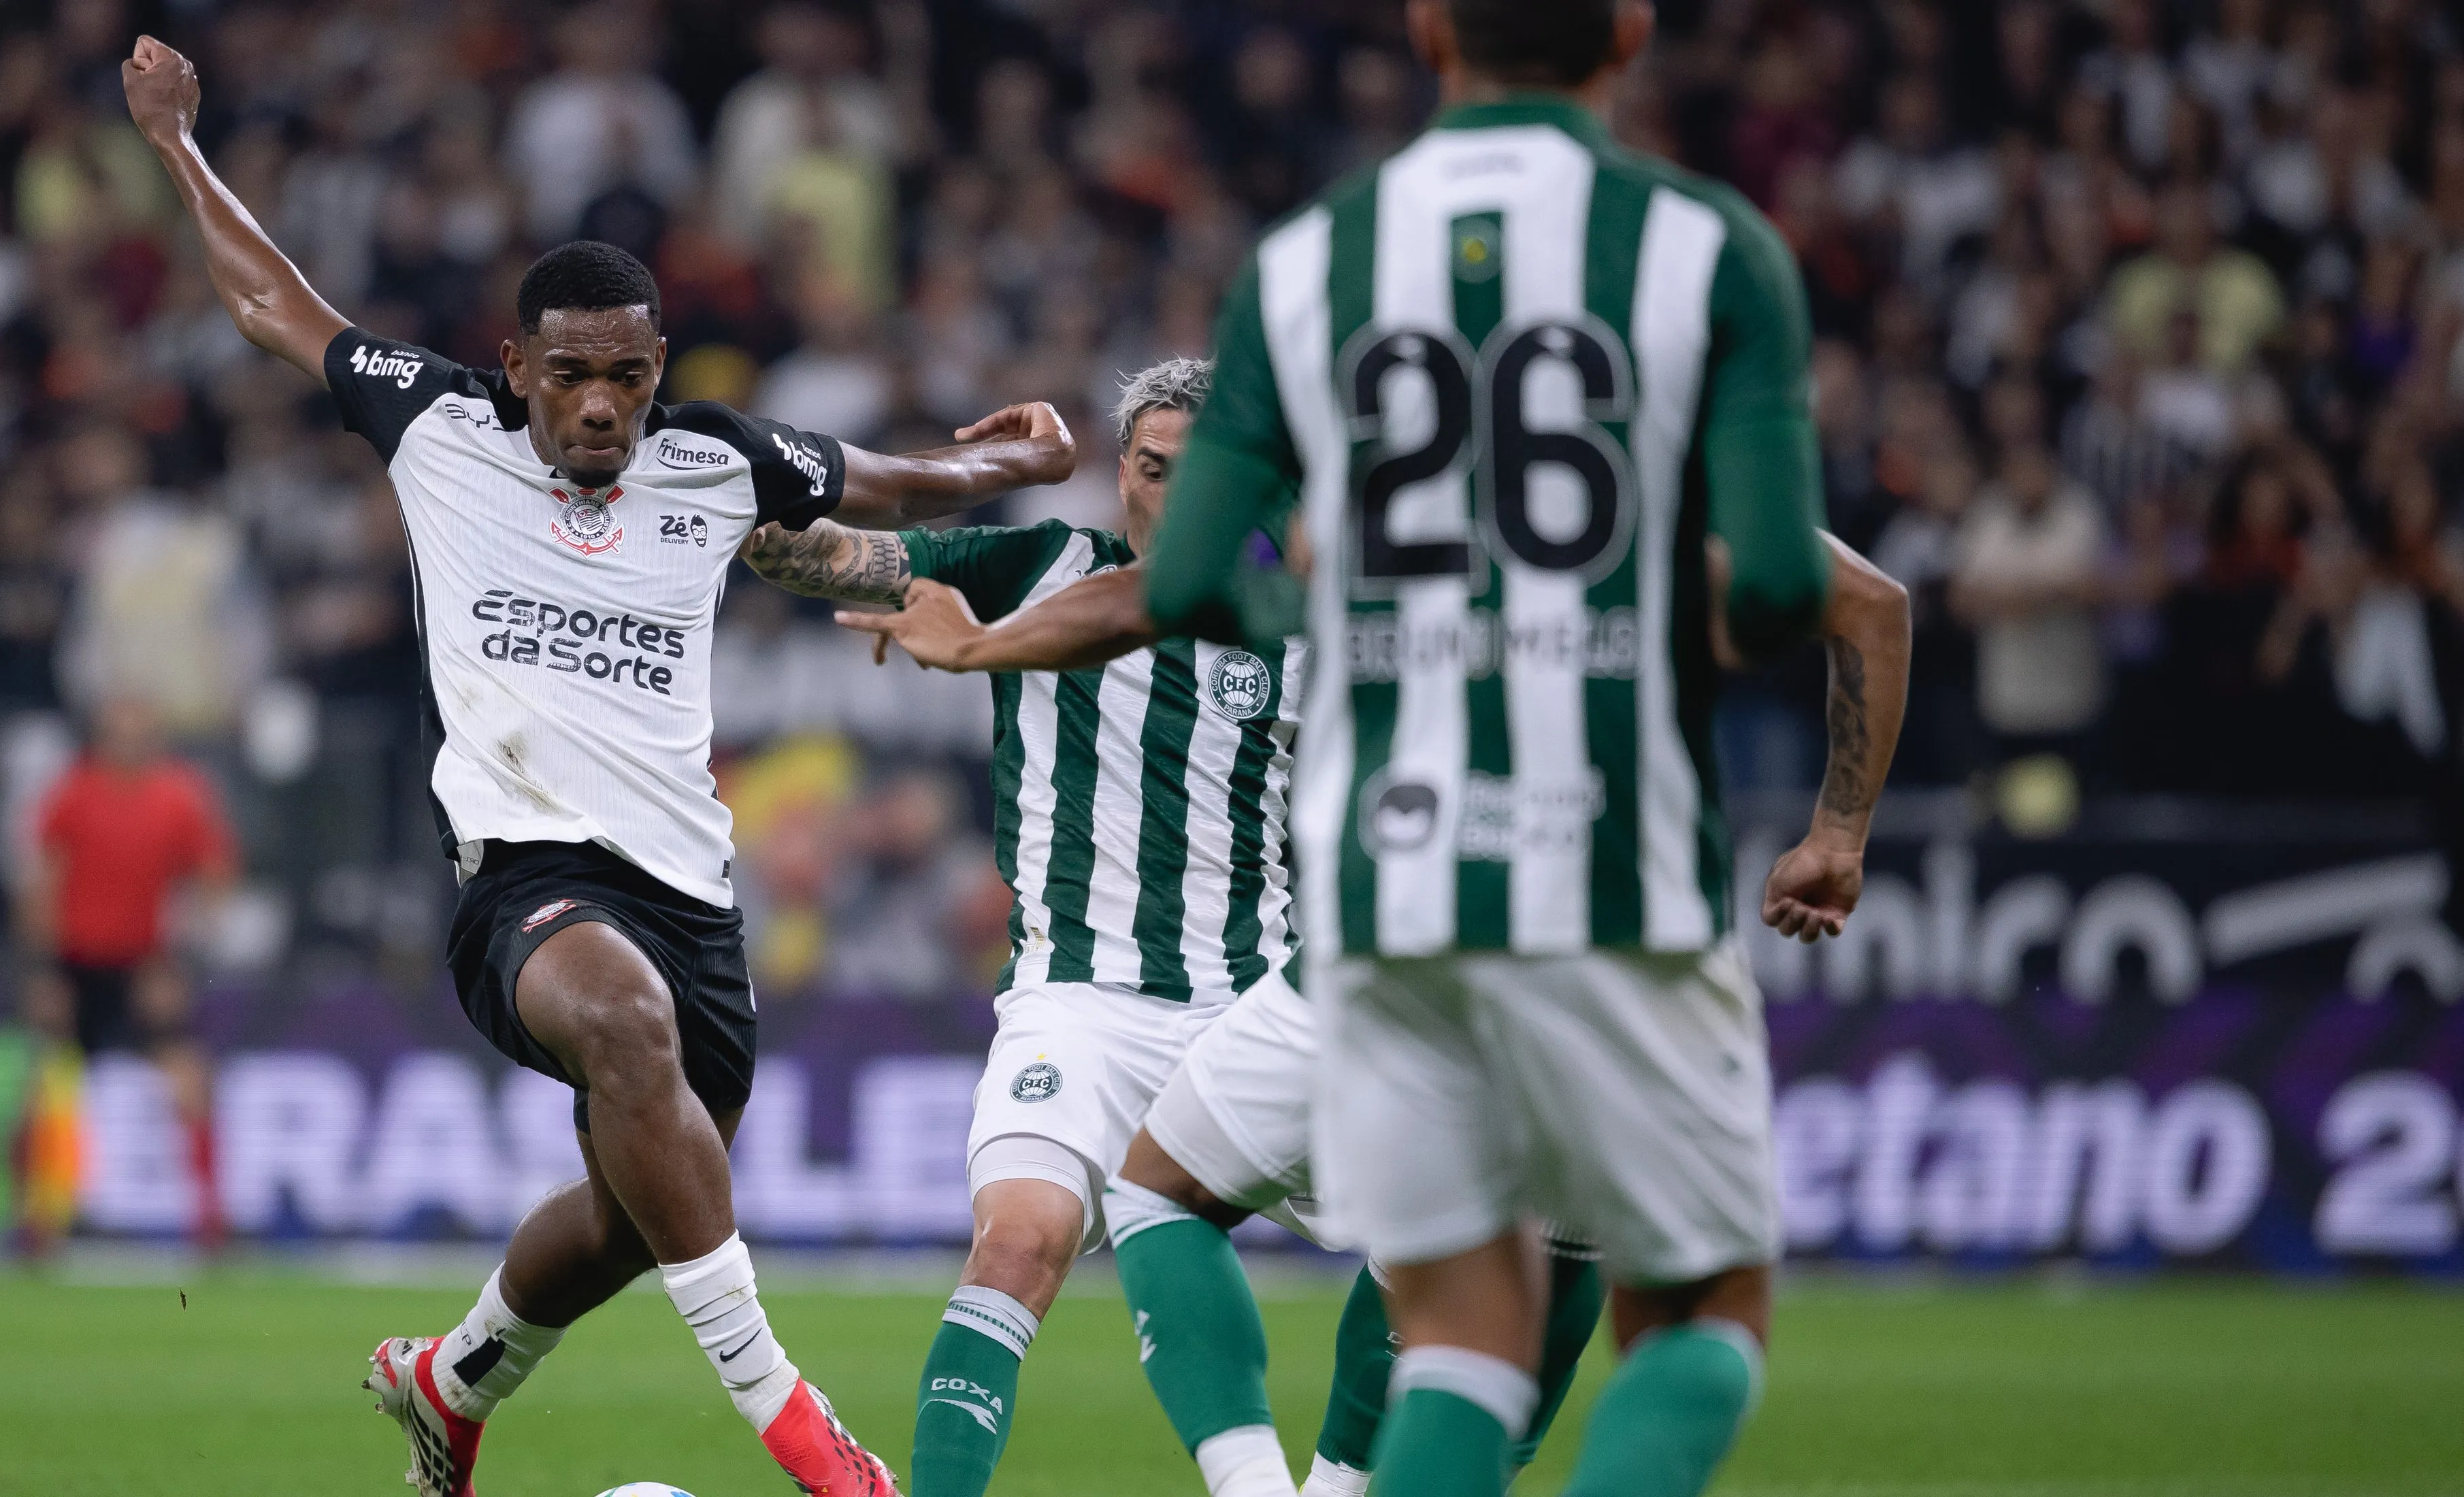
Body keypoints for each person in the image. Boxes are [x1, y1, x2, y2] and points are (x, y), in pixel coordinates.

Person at [122, 34, 1074, 1497]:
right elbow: (274, 302)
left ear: (654, 373)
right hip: (525, 882)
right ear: (517, 367)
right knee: (620, 1023)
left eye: (624, 379)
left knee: (641, 1214)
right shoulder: (438, 425)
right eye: (568, 378)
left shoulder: (711, 461)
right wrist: (181, 146)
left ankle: (449, 1380)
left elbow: (888, 480)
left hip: (692, 893)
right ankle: (800, 1431)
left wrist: (1015, 466)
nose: (596, 410)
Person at [1131, 1, 1905, 1493]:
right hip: (1610, 872)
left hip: (1386, 892)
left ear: (1425, 32)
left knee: (1463, 1334)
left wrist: (1376, 615)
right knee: (1696, 1310)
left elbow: (1178, 581)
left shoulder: (1305, 263)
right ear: (1628, 34)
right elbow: (1791, 585)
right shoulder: (1704, 246)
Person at [849, 514, 1905, 1497]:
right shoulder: (1664, 492)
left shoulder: (1390, 486)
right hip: (1634, 935)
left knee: (1173, 1197)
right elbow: (1872, 602)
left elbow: (1152, 598)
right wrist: (1838, 835)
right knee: (1674, 1312)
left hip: (1413, 922)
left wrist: (981, 644)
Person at [739, 359, 1307, 1497]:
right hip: (1080, 1006)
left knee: (1465, 1247)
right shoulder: (1040, 565)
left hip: (1262, 1005)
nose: (1171, 498)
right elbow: (789, 547)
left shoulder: (1306, 610)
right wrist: (974, 476)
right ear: (1115, 471)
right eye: (1149, 470)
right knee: (1018, 1244)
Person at [17, 693, 238, 1251]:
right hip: (77, 963)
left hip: (145, 964)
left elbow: (214, 876)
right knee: (51, 1090)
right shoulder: (73, 793)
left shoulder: (178, 796)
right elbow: (42, 880)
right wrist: (45, 971)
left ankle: (211, 1223)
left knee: (189, 1080)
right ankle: (40, 1224)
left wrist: (181, 957)